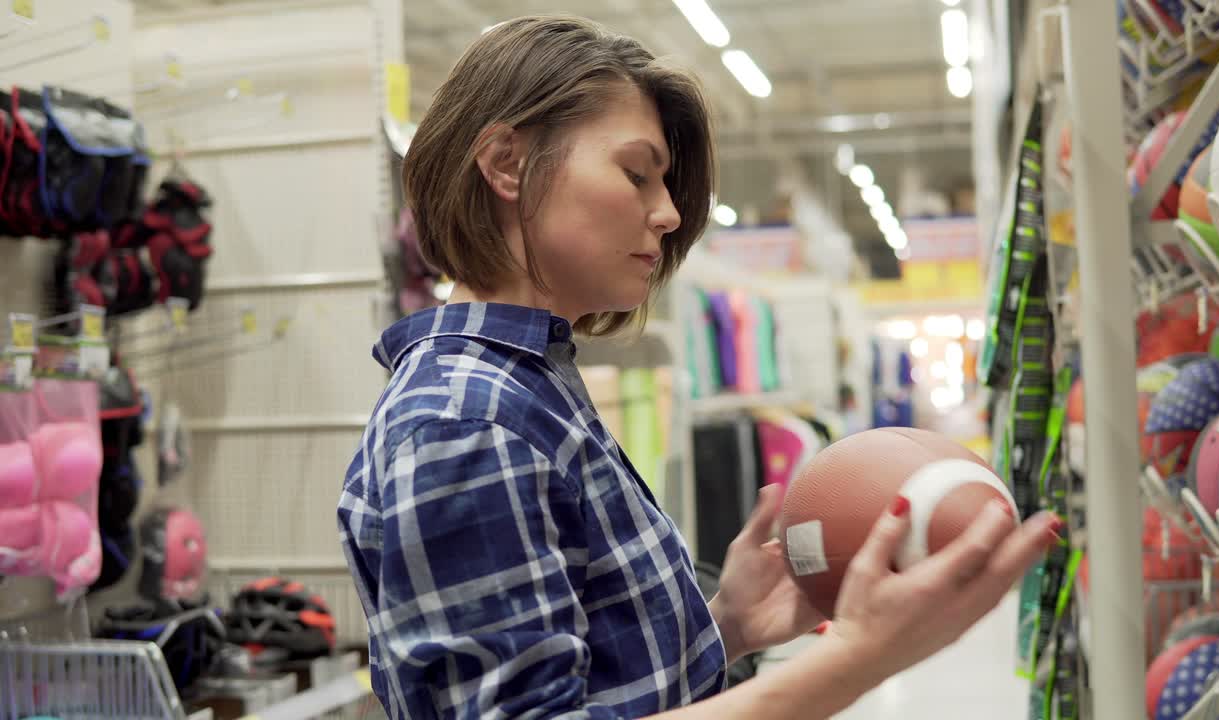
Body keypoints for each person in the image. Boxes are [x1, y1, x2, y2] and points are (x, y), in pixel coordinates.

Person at [337, 14, 1061, 719]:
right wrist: (860, 659)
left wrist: (725, 626)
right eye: (638, 174)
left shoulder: (524, 388)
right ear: (506, 164)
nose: (671, 214)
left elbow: (598, 683)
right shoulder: (468, 419)